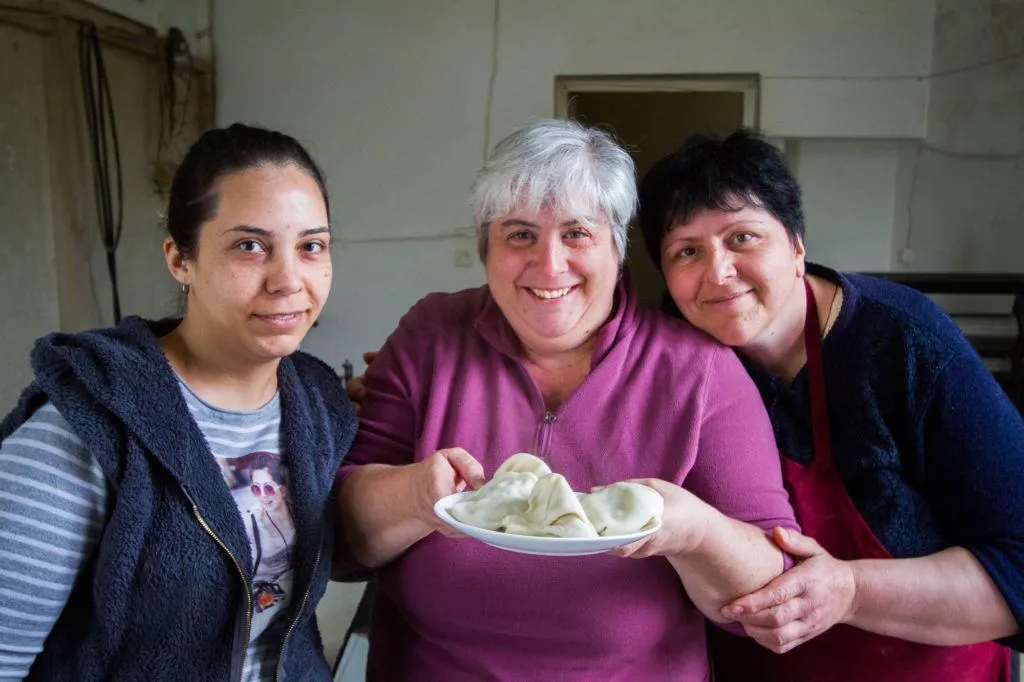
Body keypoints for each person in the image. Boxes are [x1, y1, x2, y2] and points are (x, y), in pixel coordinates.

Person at [333, 118, 798, 681]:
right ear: (486, 248)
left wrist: (695, 533)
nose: (550, 265)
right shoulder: (431, 335)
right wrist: (412, 496)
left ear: (616, 248)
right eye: (520, 235)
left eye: (577, 233)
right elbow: (342, 542)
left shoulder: (700, 369)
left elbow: (772, 589)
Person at [636, 129, 1024, 681]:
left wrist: (849, 591)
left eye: (743, 237)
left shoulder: (904, 342)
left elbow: (1018, 566)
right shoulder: (671, 361)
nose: (718, 272)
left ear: (797, 246)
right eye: (687, 251)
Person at [0, 124, 358, 681]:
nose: (289, 280)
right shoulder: (88, 426)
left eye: (310, 246)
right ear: (179, 259)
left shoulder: (319, 405)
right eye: (249, 246)